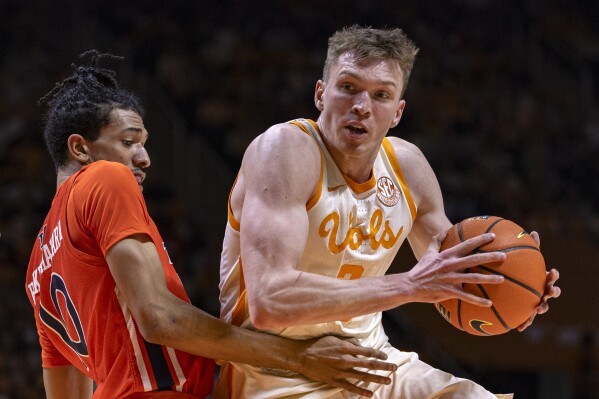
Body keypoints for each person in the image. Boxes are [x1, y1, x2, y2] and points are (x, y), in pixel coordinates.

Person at [24, 50, 399, 399]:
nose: (144, 158)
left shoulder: (37, 267)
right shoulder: (103, 178)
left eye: (144, 143)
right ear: (80, 148)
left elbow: (63, 390)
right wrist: (298, 356)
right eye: (128, 142)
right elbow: (160, 318)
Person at [216, 25, 561, 398]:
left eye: (380, 95)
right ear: (320, 93)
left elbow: (452, 275)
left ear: (397, 113)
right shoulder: (284, 151)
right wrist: (408, 285)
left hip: (373, 364)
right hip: (275, 370)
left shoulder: (407, 167)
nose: (362, 106)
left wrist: (511, 286)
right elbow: (270, 300)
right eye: (348, 87)